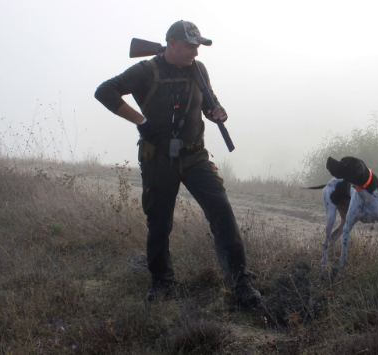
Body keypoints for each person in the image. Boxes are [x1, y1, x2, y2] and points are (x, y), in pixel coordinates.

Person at [94, 20, 261, 308]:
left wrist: (216, 112)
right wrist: (141, 121)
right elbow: (105, 91)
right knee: (159, 224)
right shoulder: (146, 70)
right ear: (171, 43)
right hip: (158, 158)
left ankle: (241, 283)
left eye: (198, 46)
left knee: (222, 213)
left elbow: (208, 103)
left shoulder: (198, 70)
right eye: (190, 45)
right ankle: (162, 283)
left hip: (196, 156)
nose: (196, 52)